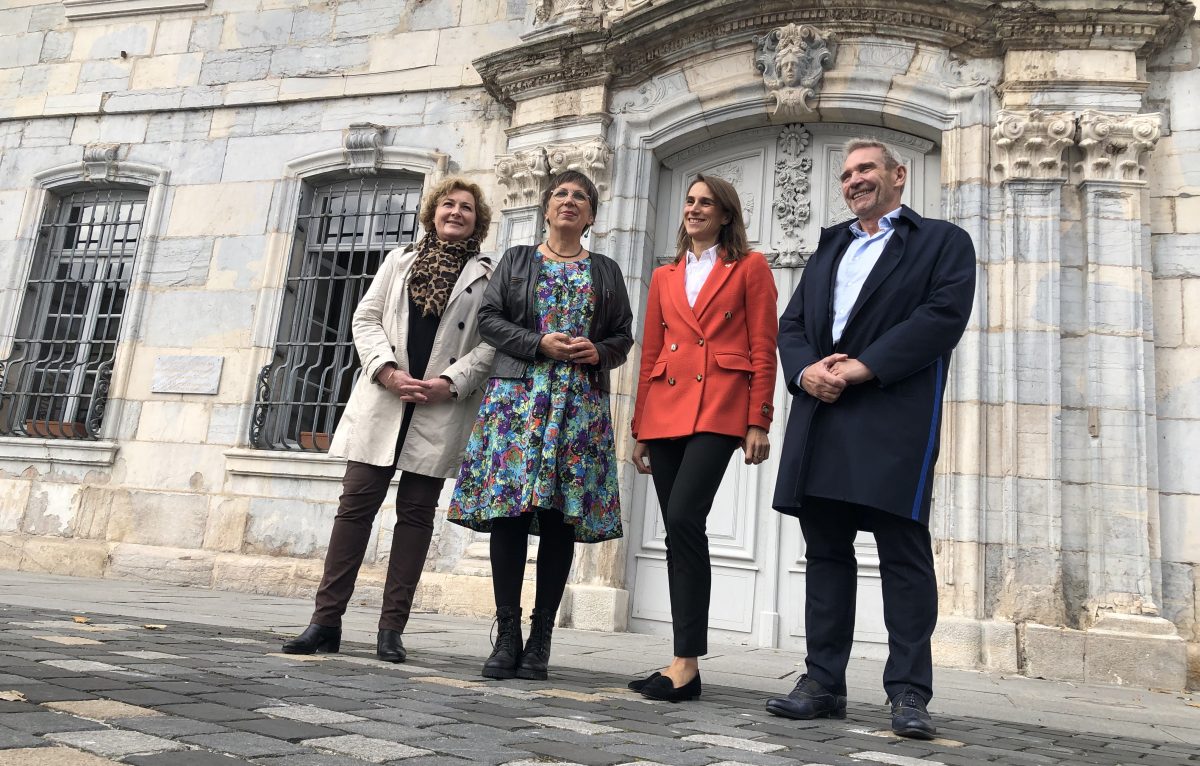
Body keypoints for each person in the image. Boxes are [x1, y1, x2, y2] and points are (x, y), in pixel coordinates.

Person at [765, 139, 976, 738]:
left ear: (897, 176)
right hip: (822, 411)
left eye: (866, 170)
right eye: (848, 174)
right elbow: (795, 324)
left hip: (892, 413)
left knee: (903, 556)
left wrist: (861, 368)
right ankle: (823, 682)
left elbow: (940, 317)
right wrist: (805, 370)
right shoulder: (829, 245)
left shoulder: (942, 242)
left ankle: (909, 692)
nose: (854, 180)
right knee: (826, 551)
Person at [282, 177, 496, 663]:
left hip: (439, 405)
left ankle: (390, 629)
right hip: (386, 399)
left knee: (416, 518)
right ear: (433, 213)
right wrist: (386, 370)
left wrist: (452, 381)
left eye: (466, 207)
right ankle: (325, 621)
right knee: (353, 511)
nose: (456, 212)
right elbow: (365, 318)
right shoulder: (397, 260)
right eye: (448, 204)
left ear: (476, 220)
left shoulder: (488, 274)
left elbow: (492, 342)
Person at [447, 170, 633, 681]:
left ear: (591, 216)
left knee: (559, 520)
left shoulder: (607, 270)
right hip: (516, 403)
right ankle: (507, 634)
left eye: (581, 197)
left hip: (577, 406)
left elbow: (622, 337)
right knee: (508, 515)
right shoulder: (518, 261)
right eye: (561, 195)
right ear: (546, 209)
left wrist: (597, 349)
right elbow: (489, 320)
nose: (570, 202)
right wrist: (538, 343)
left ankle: (541, 637)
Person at [627, 174, 778, 702]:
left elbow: (764, 345)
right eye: (689, 201)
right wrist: (640, 427)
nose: (694, 209)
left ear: (725, 214)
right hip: (666, 409)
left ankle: (686, 662)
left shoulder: (749, 267)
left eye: (705, 203)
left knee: (687, 519)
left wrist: (759, 419)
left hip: (719, 408)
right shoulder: (665, 276)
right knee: (677, 532)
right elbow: (650, 353)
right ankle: (681, 661)